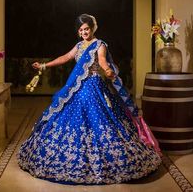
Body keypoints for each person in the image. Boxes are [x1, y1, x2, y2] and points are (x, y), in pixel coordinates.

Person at [17, 14, 162, 185]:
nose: (84, 32)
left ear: (92, 28)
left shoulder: (100, 45)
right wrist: (44, 65)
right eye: (81, 30)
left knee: (100, 119)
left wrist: (108, 70)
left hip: (93, 86)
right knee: (70, 118)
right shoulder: (78, 46)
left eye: (87, 28)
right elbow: (65, 58)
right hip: (77, 88)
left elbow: (102, 61)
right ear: (78, 32)